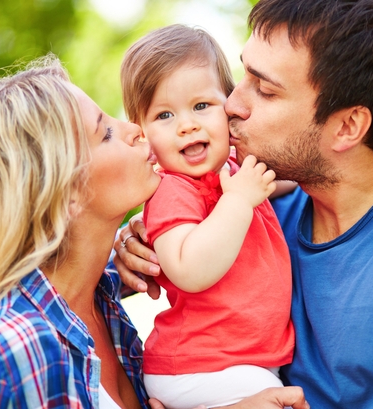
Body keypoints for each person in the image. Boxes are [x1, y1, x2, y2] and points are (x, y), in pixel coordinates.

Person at [114, 0, 373, 408]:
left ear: (347, 126)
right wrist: (139, 241)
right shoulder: (255, 213)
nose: (232, 104)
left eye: (265, 89)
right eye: (243, 76)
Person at [0, 55, 161, 409]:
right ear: (64, 192)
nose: (135, 130)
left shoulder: (101, 298)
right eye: (107, 133)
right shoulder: (3, 357)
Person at [118, 24, 295, 409]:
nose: (187, 125)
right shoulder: (172, 190)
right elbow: (188, 268)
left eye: (201, 106)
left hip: (238, 362)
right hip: (199, 368)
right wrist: (239, 202)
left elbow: (279, 179)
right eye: (164, 115)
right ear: (143, 135)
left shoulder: (233, 170)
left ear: (228, 108)